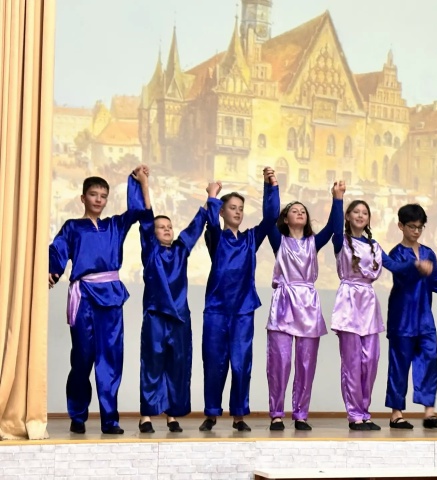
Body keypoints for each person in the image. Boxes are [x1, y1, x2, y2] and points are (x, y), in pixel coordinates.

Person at [48, 166, 149, 434]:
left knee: (111, 359)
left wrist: (140, 182)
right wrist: (52, 272)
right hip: (84, 298)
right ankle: (78, 415)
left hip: (111, 298)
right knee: (82, 358)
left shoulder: (115, 225)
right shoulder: (72, 227)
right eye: (93, 194)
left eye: (103, 196)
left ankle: (110, 420)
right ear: (83, 198)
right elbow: (57, 251)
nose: (99, 200)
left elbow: (139, 212)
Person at [331, 200, 432, 431]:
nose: (360, 215)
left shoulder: (374, 245)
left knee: (370, 361)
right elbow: (335, 225)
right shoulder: (341, 241)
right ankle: (355, 415)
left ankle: (365, 413)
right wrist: (338, 199)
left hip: (368, 304)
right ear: (348, 216)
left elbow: (394, 266)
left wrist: (416, 265)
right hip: (348, 303)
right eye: (356, 212)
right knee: (352, 362)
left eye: (365, 213)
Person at [200, 168, 279, 432]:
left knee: (241, 364)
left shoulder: (250, 239)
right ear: (222, 211)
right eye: (232, 208)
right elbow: (210, 220)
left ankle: (239, 415)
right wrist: (212, 195)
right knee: (214, 363)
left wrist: (270, 186)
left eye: (241, 209)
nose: (237, 212)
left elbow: (271, 217)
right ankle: (211, 413)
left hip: (243, 310)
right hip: (216, 309)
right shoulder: (215, 237)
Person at [137, 182, 218, 433]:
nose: (167, 229)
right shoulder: (150, 251)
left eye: (169, 226)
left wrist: (211, 197)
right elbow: (146, 217)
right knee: (152, 365)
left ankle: (171, 414)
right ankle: (146, 415)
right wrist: (144, 185)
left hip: (180, 318)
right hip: (155, 316)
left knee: (177, 367)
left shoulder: (181, 251)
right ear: (152, 233)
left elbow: (196, 225)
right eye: (161, 227)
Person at [265, 181, 345, 431]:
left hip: (308, 304)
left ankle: (300, 414)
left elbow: (334, 227)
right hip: (284, 302)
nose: (300, 213)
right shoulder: (279, 240)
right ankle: (277, 414)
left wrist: (337, 198)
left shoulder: (313, 242)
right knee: (279, 361)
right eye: (294, 210)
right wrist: (271, 188)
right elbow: (268, 217)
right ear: (285, 219)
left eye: (303, 211)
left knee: (306, 363)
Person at [385, 204, 437, 430]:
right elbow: (401, 276)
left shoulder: (429, 253)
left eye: (420, 227)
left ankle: (429, 413)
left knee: (429, 361)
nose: (416, 231)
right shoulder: (396, 253)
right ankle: (396, 414)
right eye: (412, 226)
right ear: (401, 226)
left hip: (425, 320)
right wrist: (416, 267)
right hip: (402, 319)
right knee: (399, 366)